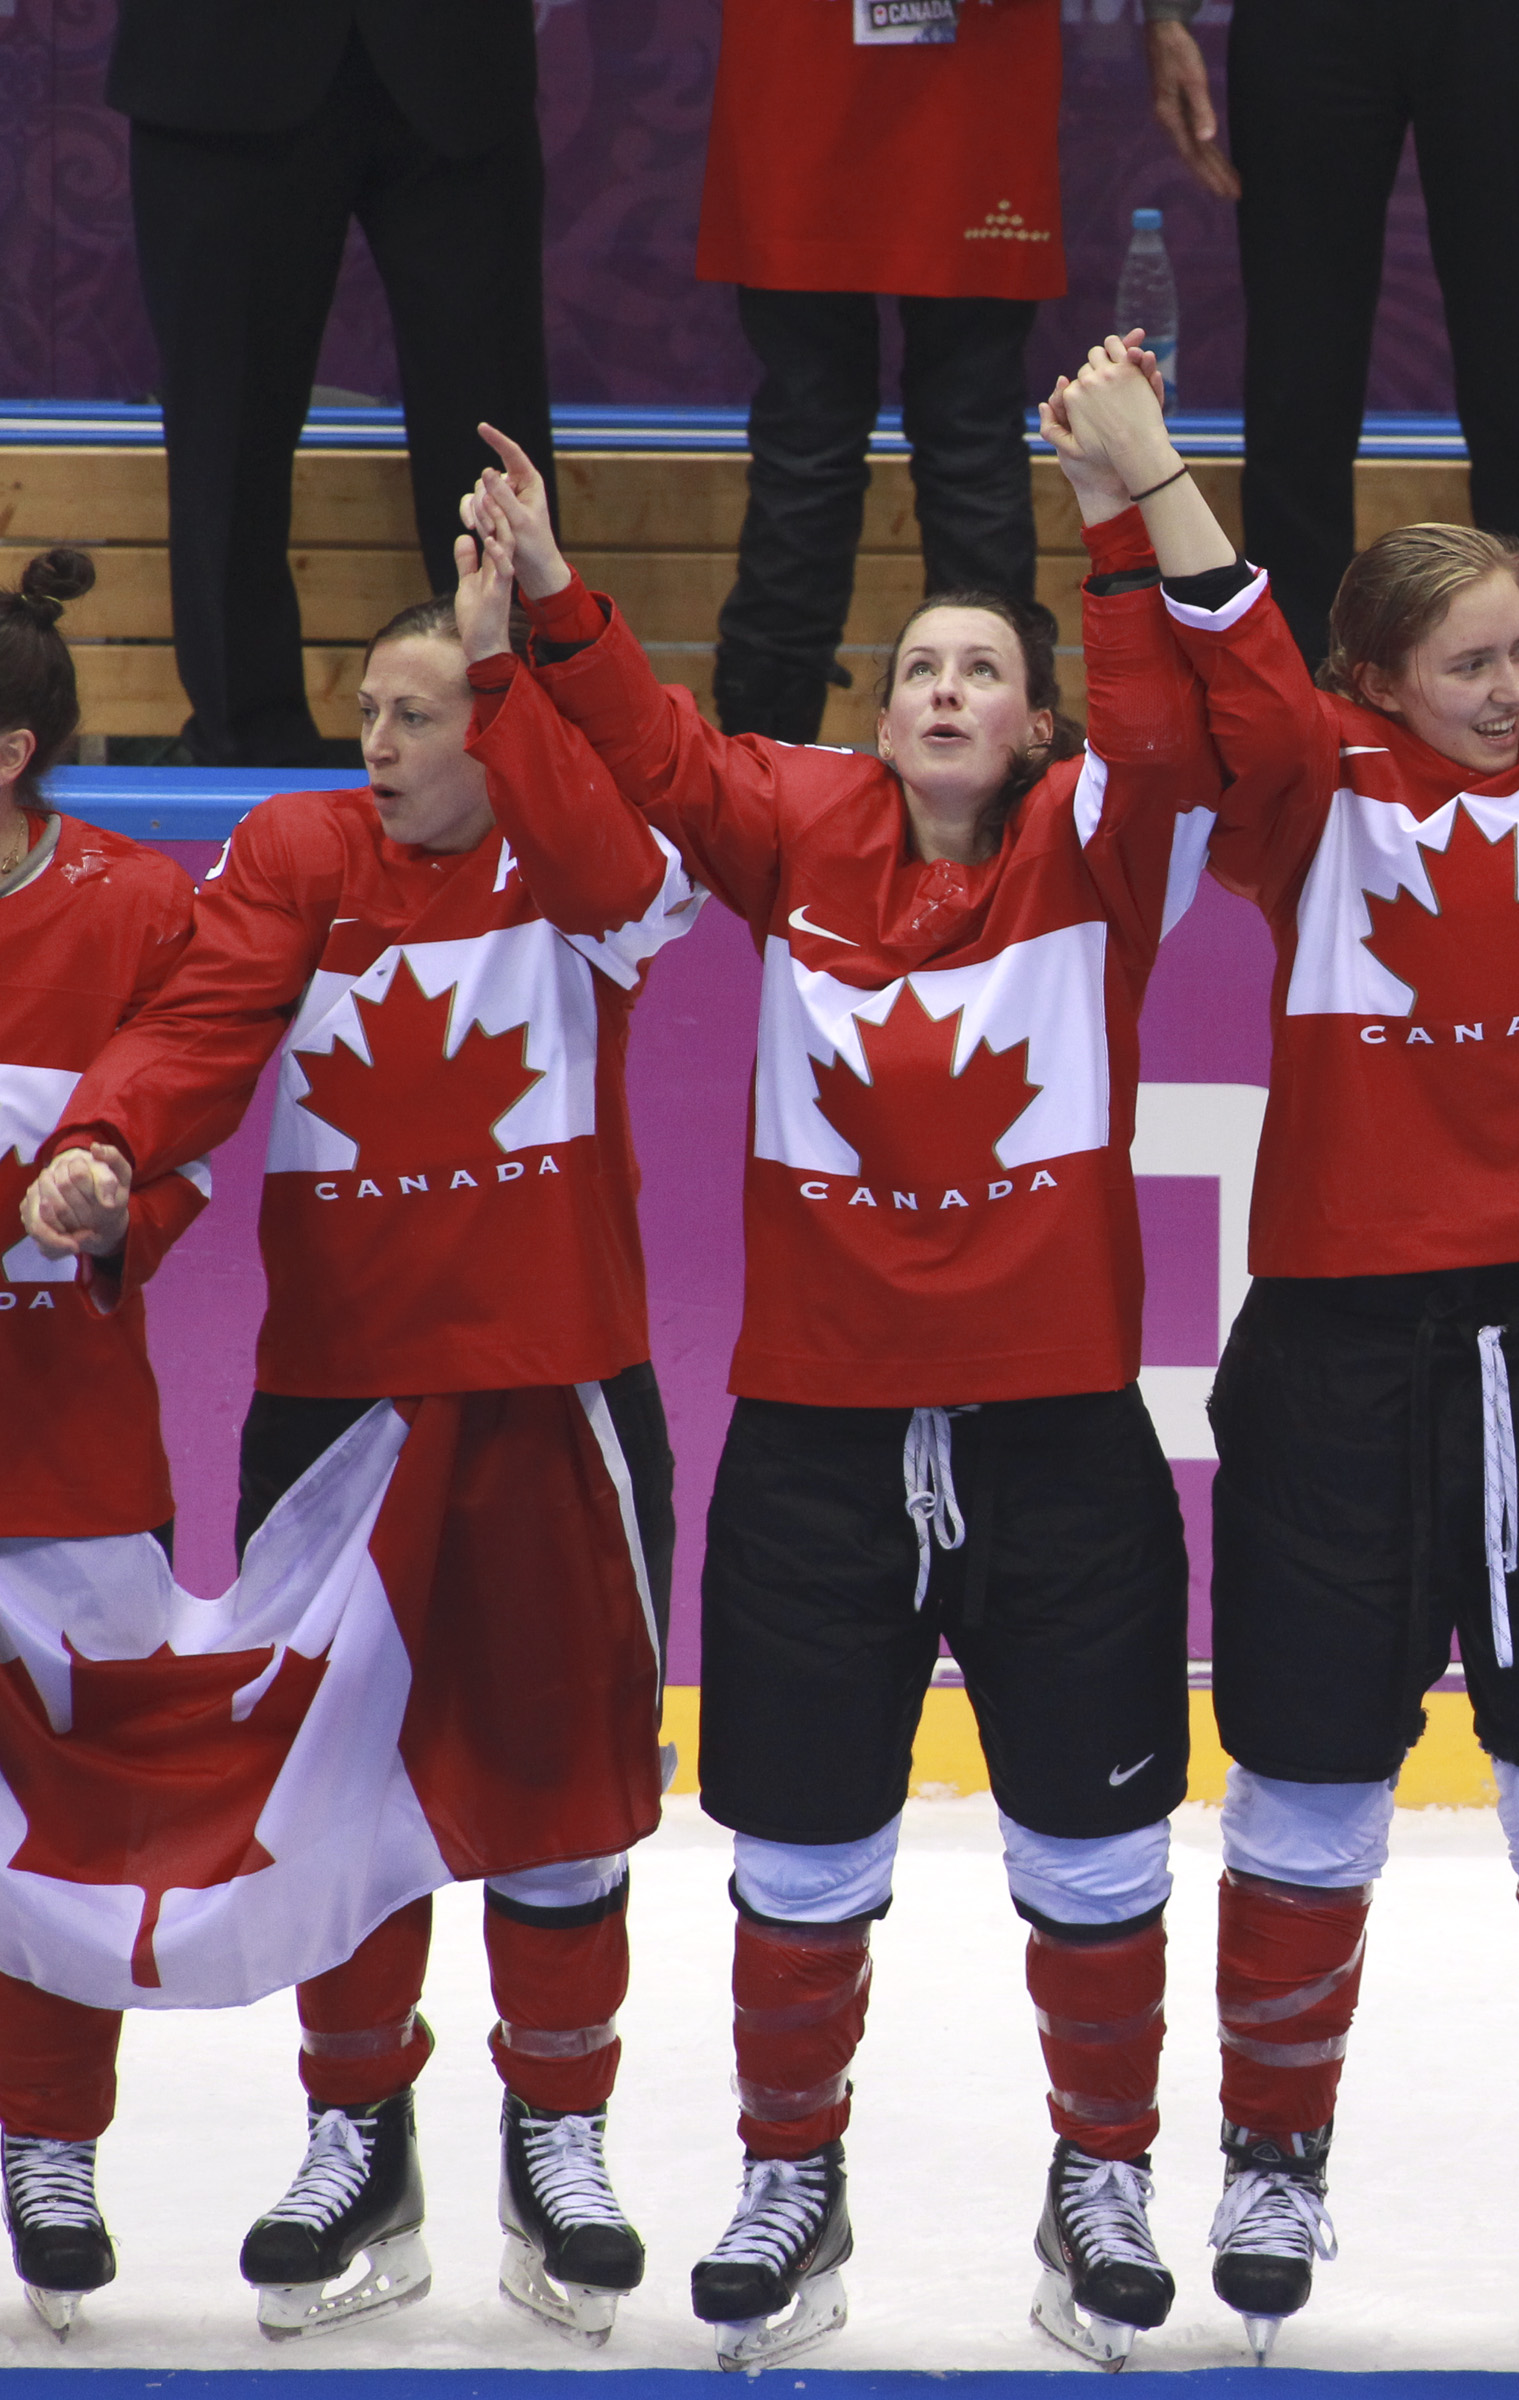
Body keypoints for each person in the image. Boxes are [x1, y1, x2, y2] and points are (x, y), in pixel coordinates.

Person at [466, 351, 1231, 2366]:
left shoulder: (1101, 849)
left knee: (1092, 1846)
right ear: (876, 720)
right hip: (813, 1443)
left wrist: (1116, 505)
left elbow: (1167, 718)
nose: (946, 691)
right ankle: (791, 2186)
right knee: (800, 1851)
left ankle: (1104, 2182)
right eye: (917, 671)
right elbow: (644, 745)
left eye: (984, 669)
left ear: (1039, 721)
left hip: (1059, 1440)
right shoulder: (799, 829)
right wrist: (553, 587)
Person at [1148, 173, 1519, 2365]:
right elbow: (1221, 680)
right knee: (1307, 1774)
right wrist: (1157, 488)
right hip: (1336, 1347)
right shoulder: (1305, 799)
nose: (1518, 685)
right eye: (1473, 663)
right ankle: (1275, 2156)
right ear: (1381, 678)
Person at [33, 514, 689, 2343]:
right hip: (337, 1409)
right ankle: (357, 2144)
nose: (378, 749)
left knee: (563, 1803)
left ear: (496, 724)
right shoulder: (300, 851)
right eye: (371, 715)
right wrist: (111, 1141)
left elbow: (616, 866)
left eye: (420, 714)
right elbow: (204, 1017)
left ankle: (561, 2142)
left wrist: (510, 650)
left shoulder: (585, 875)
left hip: (558, 1393)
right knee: (335, 1799)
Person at [1140, 0, 1519, 668]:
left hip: (1506, 24)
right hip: (1306, 24)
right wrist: (1167, 13)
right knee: (1295, 382)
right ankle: (1296, 707)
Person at [0, 549, 202, 2340]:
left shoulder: (141, 909)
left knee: (76, 1831)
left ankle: (49, 2145)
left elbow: (196, 1139)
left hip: (68, 1458)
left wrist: (116, 1195)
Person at [107, 0, 557, 767]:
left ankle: (514, 735)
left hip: (460, 62)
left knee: (490, 439)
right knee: (225, 444)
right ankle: (239, 751)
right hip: (215, 64)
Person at [694, 0, 1065, 743]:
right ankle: (762, 774)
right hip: (804, 43)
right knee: (806, 438)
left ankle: (1001, 781)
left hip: (979, 45)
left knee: (971, 432)